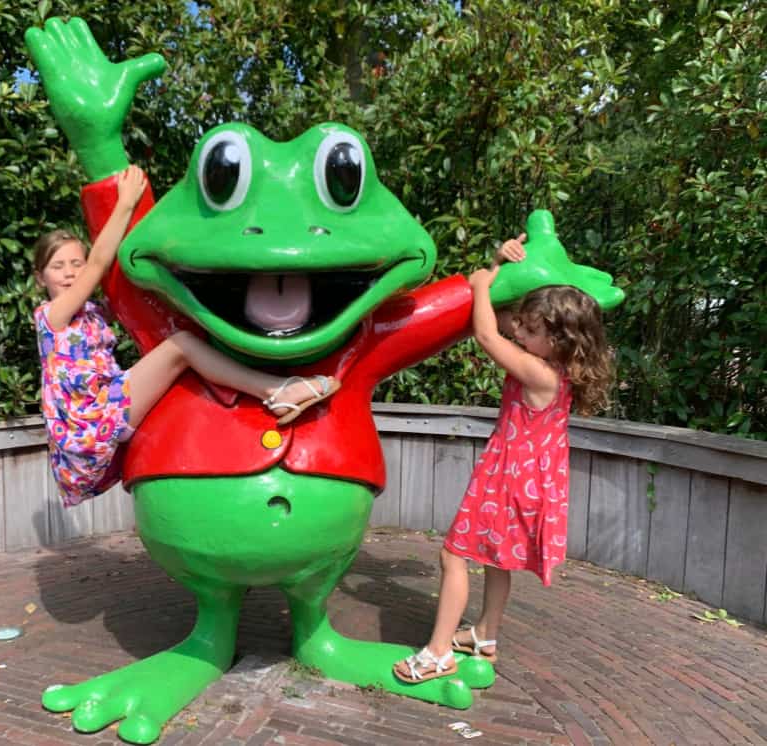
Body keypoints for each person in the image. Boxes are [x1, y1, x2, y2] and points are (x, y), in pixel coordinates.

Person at [33, 165, 340, 507]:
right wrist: (125, 203)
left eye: (75, 263)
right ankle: (275, 389)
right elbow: (99, 263)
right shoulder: (52, 316)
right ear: (39, 277)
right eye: (58, 267)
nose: (70, 273)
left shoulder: (90, 312)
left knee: (182, 348)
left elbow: (125, 289)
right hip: (92, 418)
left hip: (105, 404)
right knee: (181, 346)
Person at [393, 234, 614, 682]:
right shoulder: (556, 369)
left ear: (559, 339)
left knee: (454, 556)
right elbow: (505, 317)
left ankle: (439, 651)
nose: (520, 331)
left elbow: (486, 331)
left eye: (531, 331)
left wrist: (477, 285)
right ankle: (484, 635)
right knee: (497, 559)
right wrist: (496, 263)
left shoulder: (538, 371)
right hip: (530, 480)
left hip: (509, 478)